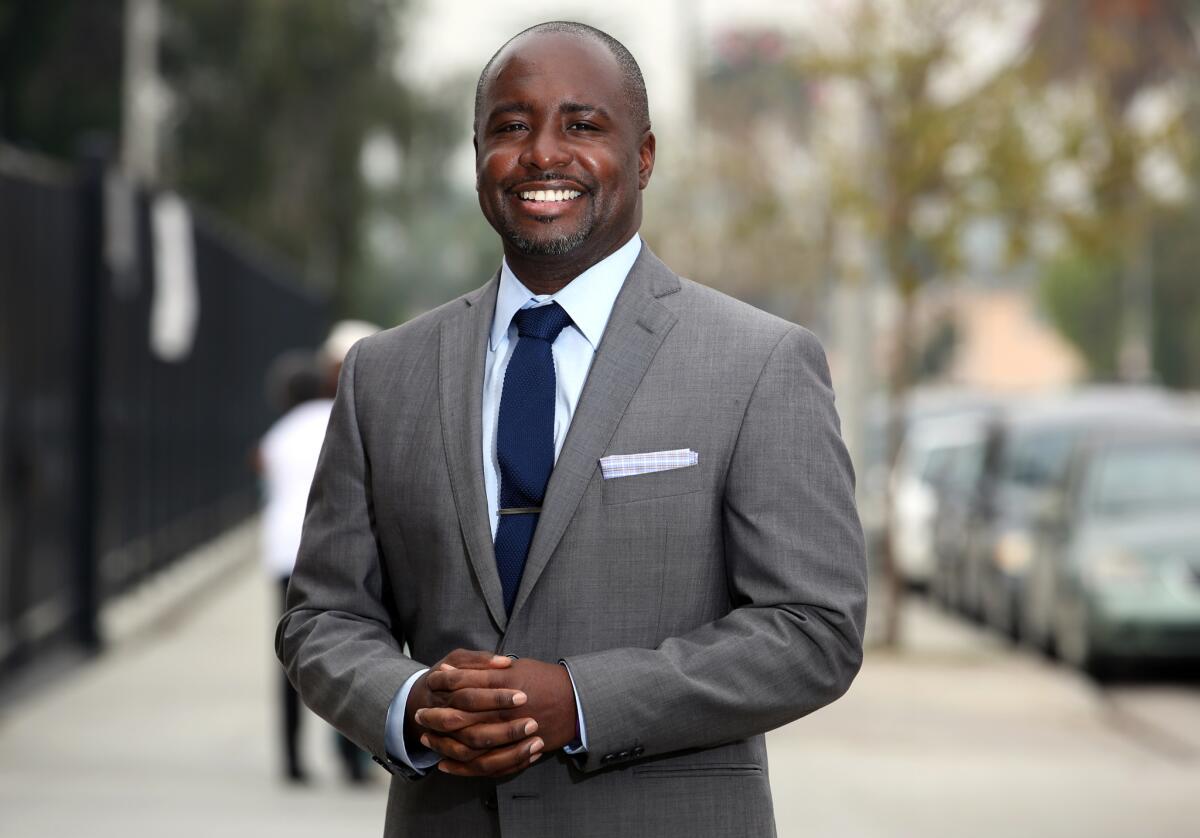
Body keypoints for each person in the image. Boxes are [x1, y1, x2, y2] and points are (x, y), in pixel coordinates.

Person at [277, 20, 866, 836]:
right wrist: (410, 704)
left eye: (583, 126)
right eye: (511, 127)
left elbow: (815, 631)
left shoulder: (759, 363)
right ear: (478, 153)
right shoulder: (386, 373)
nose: (543, 155)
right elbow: (323, 617)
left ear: (645, 156)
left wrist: (579, 702)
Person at [258, 323, 378, 783]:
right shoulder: (351, 420)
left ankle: (291, 760)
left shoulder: (281, 432)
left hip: (284, 556)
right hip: (340, 551)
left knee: (292, 658)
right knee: (356, 651)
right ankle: (353, 762)